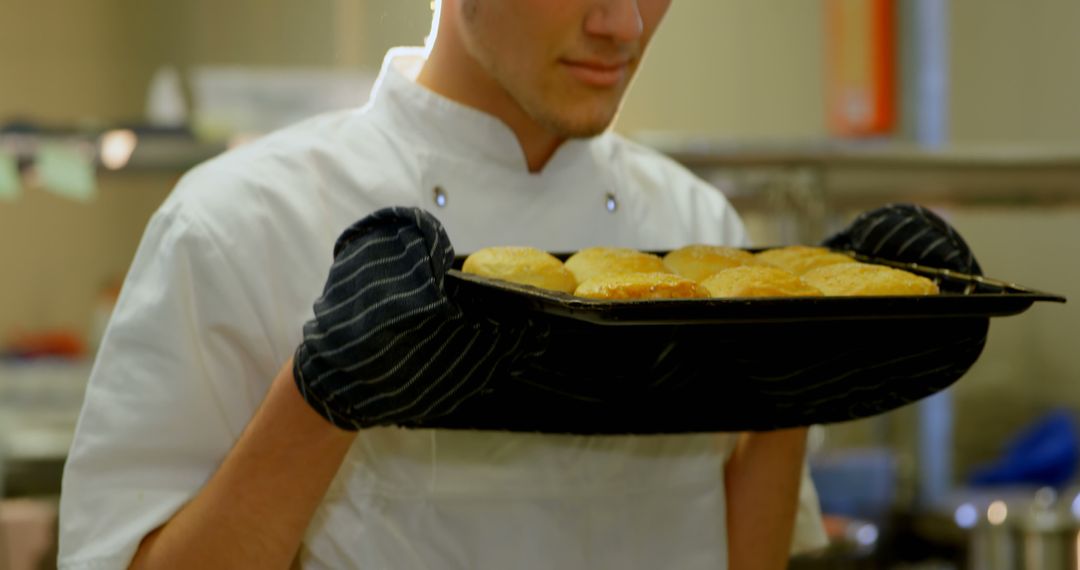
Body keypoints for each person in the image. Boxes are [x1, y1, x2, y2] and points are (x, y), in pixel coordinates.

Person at [58, 1, 829, 568]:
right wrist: (314, 405)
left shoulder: (703, 234)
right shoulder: (243, 223)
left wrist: (797, 397)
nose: (624, 24)